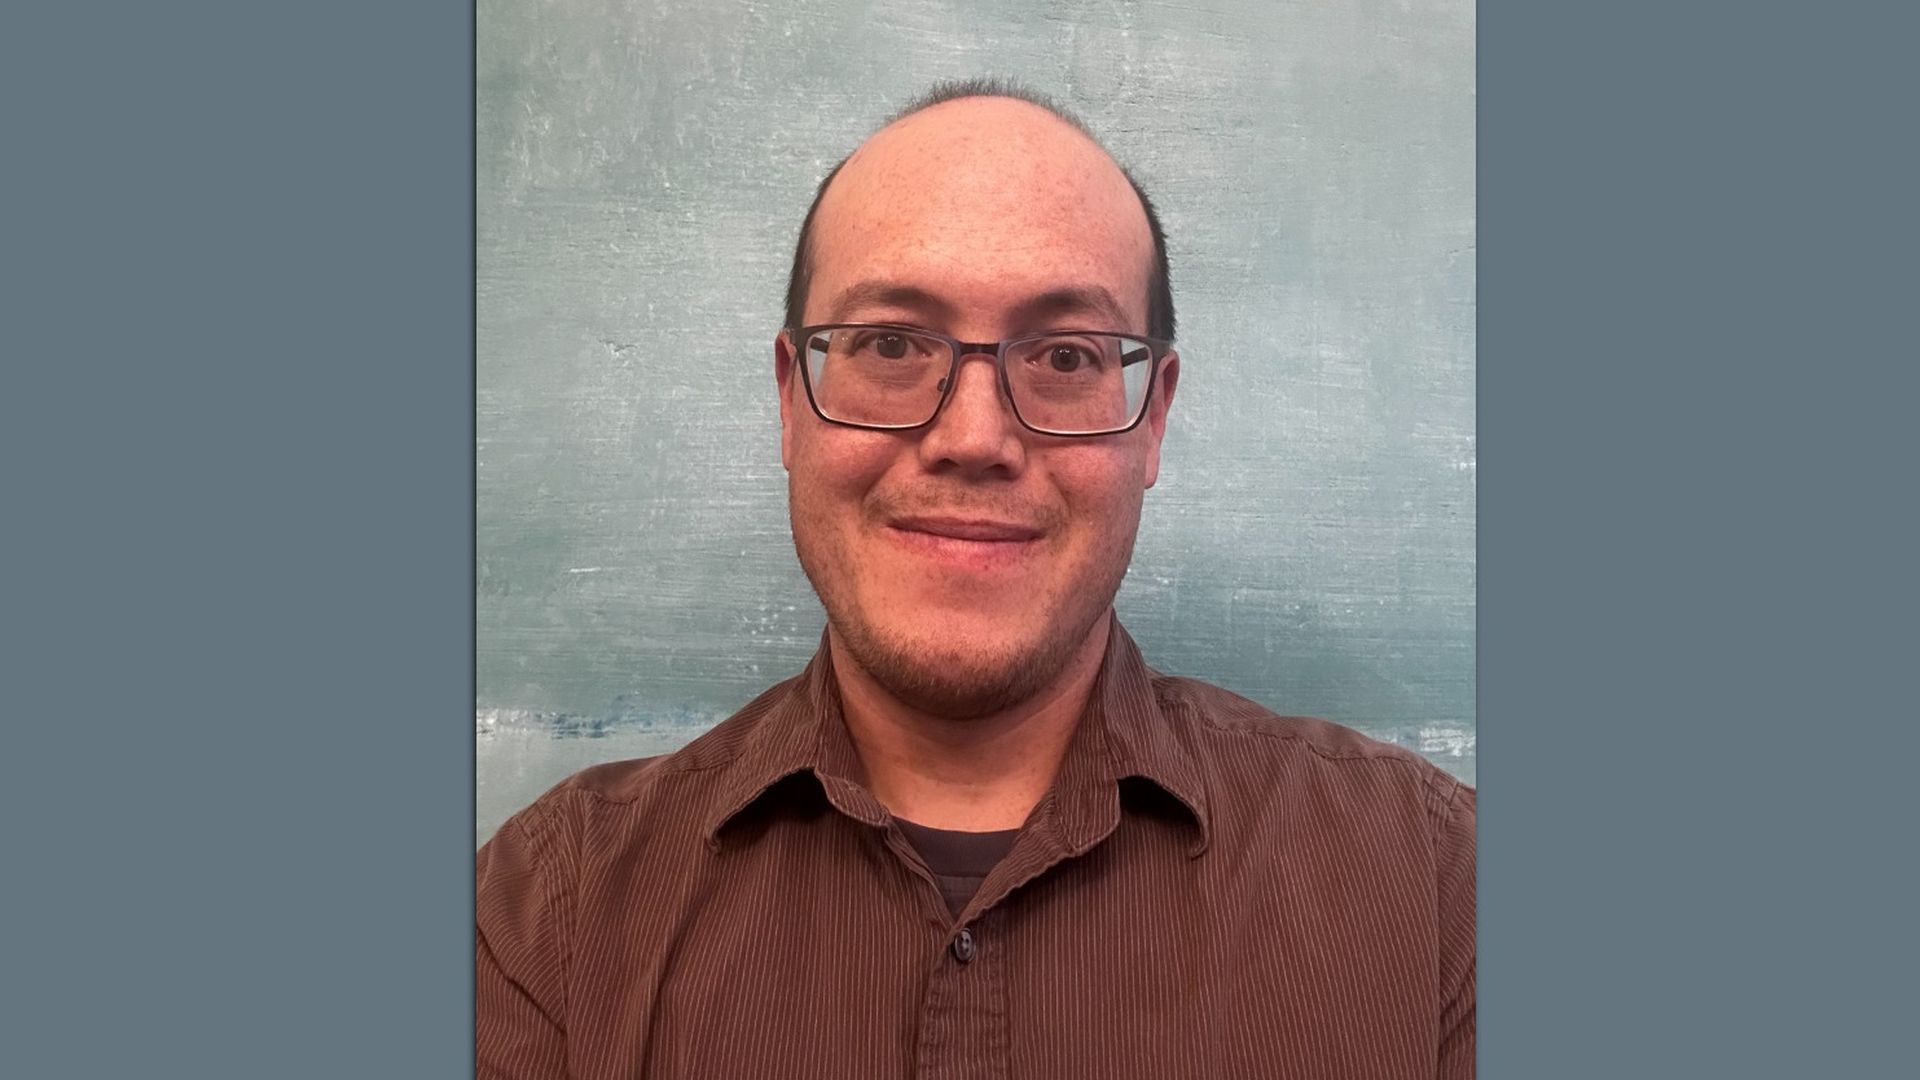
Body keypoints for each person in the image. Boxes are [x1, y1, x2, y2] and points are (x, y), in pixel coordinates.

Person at [477, 79, 1475, 1080]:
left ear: (1153, 419)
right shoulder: (547, 917)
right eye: (891, 345)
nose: (974, 439)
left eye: (1068, 355)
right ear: (791, 402)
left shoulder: (1437, 890)